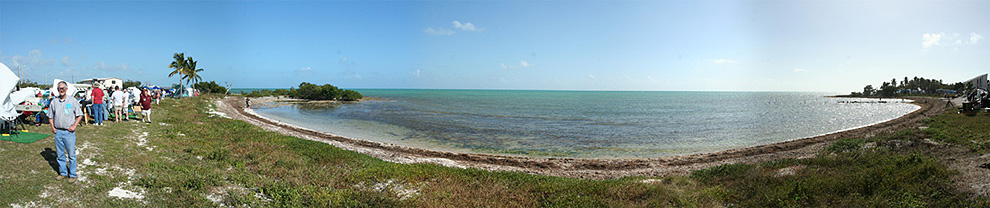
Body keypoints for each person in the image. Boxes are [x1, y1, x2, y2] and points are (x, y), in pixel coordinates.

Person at [48, 81, 84, 183]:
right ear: (58, 90)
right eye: (60, 88)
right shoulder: (54, 102)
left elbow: (79, 115)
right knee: (60, 155)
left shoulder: (72, 101)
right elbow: (50, 116)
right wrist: (52, 127)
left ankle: (72, 175)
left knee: (71, 155)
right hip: (58, 132)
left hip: (69, 133)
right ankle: (63, 173)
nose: (62, 90)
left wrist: (74, 125)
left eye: (63, 88)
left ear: (66, 89)